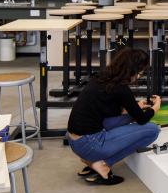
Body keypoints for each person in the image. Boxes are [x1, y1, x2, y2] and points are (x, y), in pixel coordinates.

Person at [66, 48, 161, 185]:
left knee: (130, 116)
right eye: (140, 72)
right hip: (90, 144)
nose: (140, 75)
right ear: (133, 70)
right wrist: (155, 107)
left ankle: (93, 161)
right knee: (152, 130)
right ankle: (104, 164)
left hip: (74, 140)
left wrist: (135, 107)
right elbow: (142, 119)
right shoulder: (122, 88)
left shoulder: (102, 77)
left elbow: (108, 110)